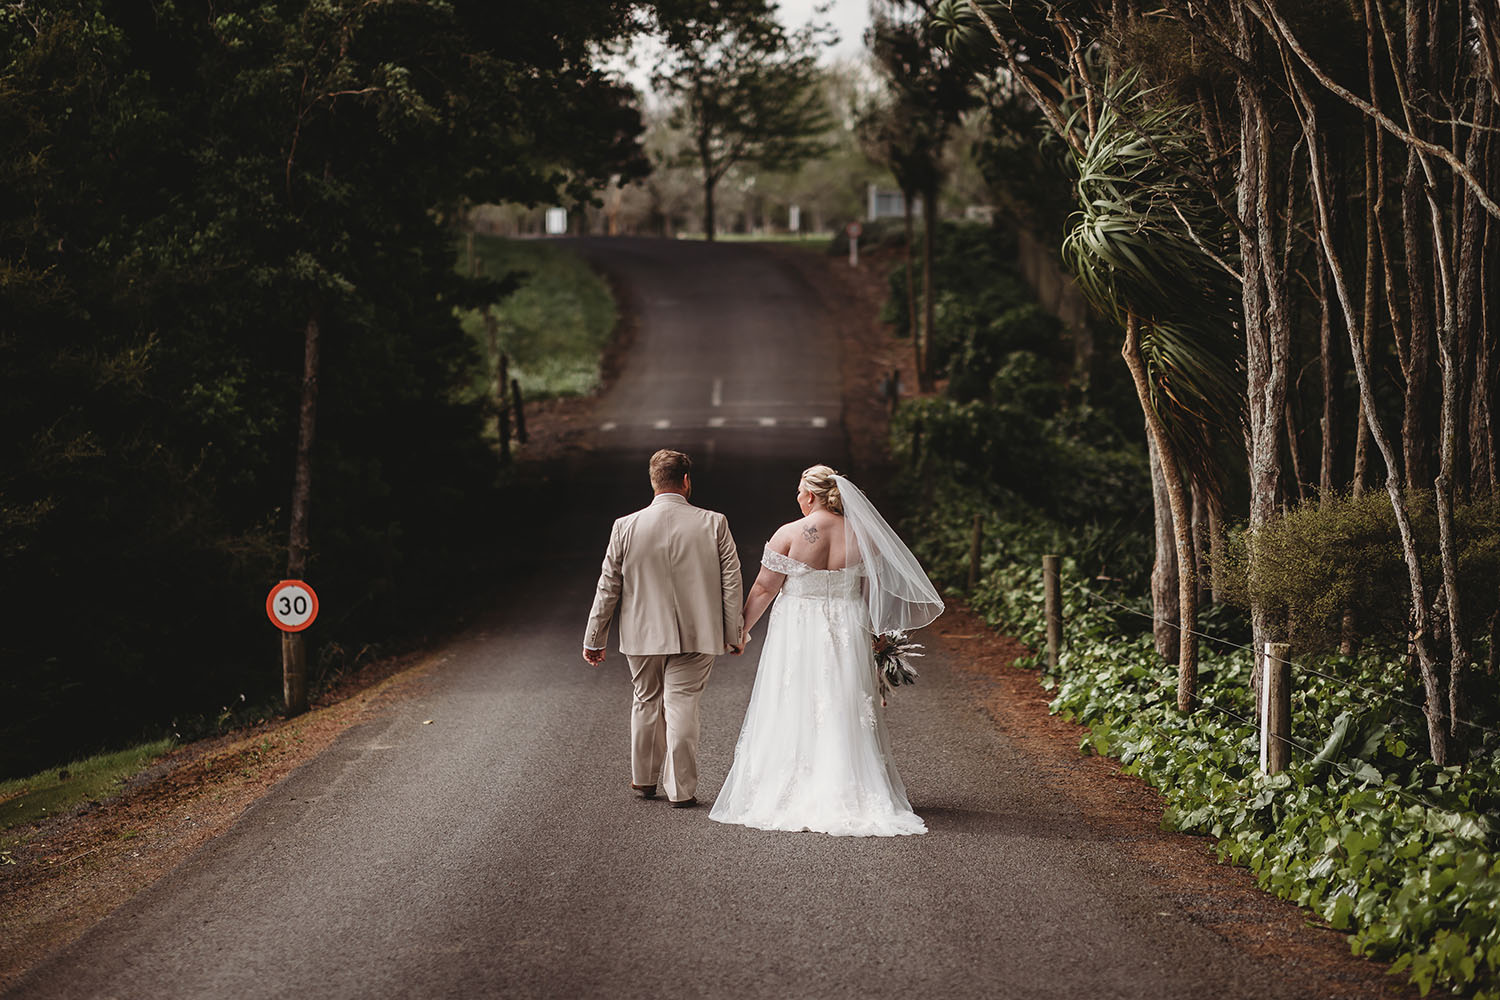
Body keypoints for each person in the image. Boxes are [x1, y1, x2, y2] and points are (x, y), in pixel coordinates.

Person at [709, 464, 944, 837]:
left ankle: (793, 785)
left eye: (799, 491)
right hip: (848, 626)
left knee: (796, 700)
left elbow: (764, 589)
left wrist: (738, 633)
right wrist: (874, 636)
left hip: (800, 629)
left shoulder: (789, 534)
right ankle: (851, 785)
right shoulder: (862, 535)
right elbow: (870, 595)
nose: (797, 497)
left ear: (810, 495)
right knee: (844, 702)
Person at [583, 449, 745, 808]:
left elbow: (608, 585)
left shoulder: (625, 526)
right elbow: (731, 581)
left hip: (642, 634)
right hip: (698, 632)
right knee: (682, 703)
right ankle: (681, 789)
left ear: (653, 481)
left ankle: (643, 779)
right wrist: (734, 632)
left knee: (645, 699)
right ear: (686, 481)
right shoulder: (714, 522)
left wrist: (595, 636)